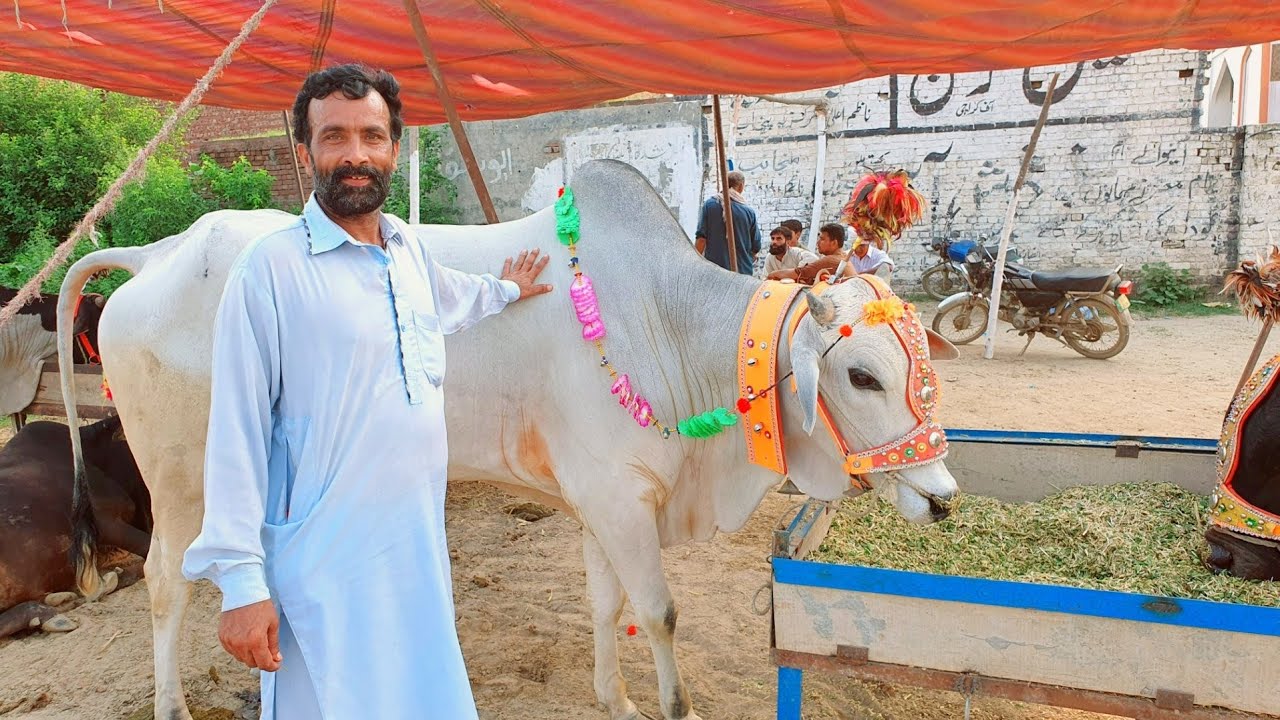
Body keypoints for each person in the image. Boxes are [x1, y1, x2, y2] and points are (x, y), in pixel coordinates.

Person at [180, 64, 552, 720]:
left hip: (413, 548)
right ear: (306, 153)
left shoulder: (405, 251)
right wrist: (241, 583)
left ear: (393, 149)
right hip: (322, 565)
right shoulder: (269, 271)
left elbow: (455, 299)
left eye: (372, 136)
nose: (356, 155)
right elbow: (234, 432)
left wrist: (511, 289)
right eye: (335, 137)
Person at [835, 169, 927, 285]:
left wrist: (862, 277)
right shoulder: (846, 256)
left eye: (862, 245)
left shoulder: (877, 255)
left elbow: (888, 266)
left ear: (867, 243)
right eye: (858, 246)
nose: (859, 248)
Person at [694, 170, 761, 275]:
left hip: (715, 272)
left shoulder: (709, 205)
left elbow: (701, 239)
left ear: (724, 184)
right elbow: (756, 245)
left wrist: (695, 263)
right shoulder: (748, 212)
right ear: (741, 186)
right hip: (742, 272)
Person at [769, 223, 847, 285]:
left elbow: (799, 273)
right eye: (773, 239)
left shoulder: (830, 260)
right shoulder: (844, 257)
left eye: (822, 239)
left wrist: (774, 274)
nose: (817, 242)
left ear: (834, 243)